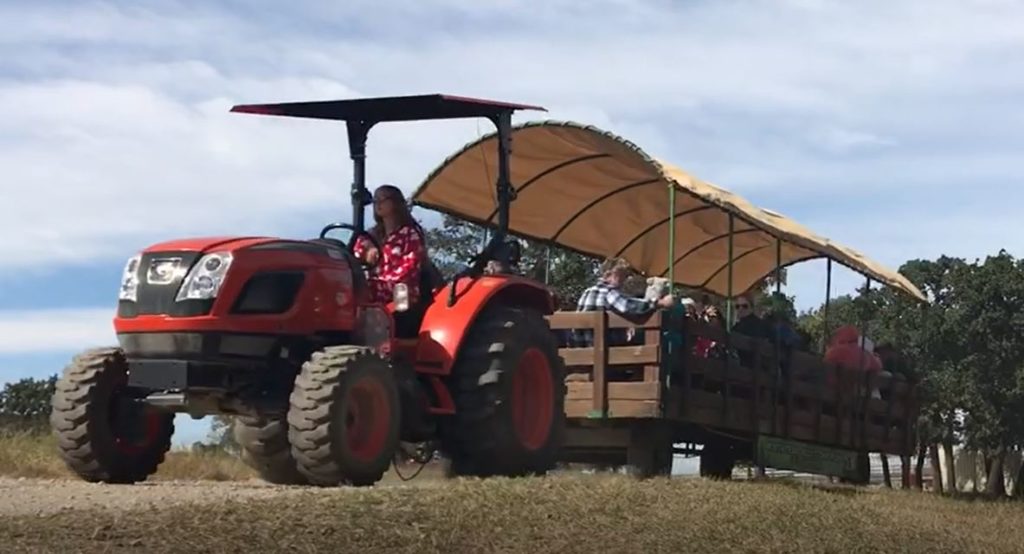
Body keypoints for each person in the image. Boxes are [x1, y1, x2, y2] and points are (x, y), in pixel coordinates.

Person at [353, 185, 429, 306]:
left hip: (402, 293)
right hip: (376, 286)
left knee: (363, 288)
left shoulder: (409, 233)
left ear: (395, 202)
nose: (378, 203)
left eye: (383, 199)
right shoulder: (370, 236)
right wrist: (366, 253)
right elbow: (354, 257)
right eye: (375, 200)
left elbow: (411, 266)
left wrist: (387, 281)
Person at [573, 257, 675, 346]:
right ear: (608, 275)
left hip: (582, 350)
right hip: (604, 350)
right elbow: (629, 306)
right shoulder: (608, 292)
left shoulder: (587, 292)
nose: (624, 279)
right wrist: (661, 303)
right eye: (621, 275)